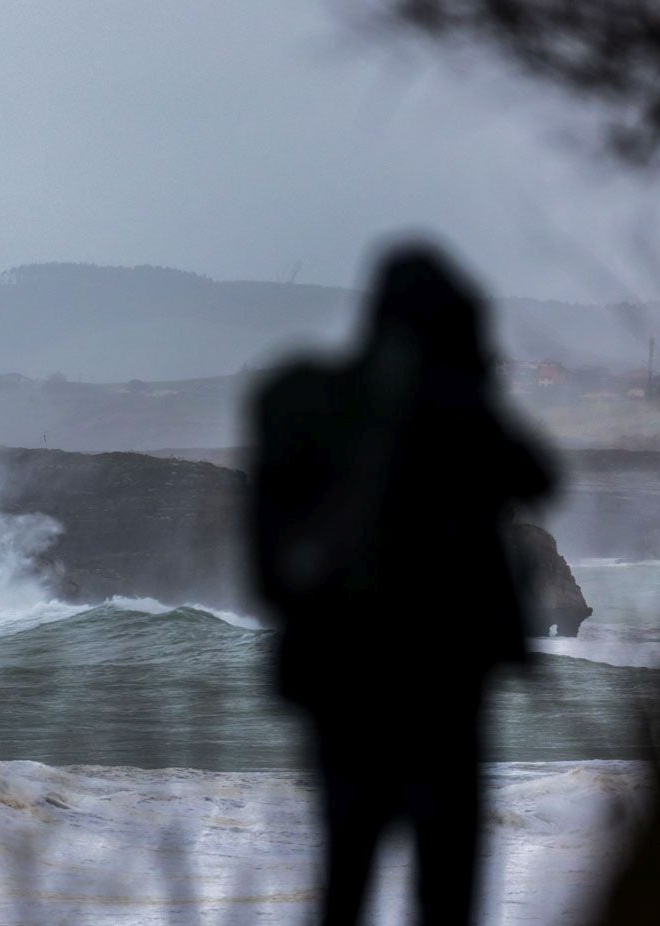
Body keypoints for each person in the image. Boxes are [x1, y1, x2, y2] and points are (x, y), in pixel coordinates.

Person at [247, 243, 555, 925]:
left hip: (341, 686)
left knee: (344, 880)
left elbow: (268, 566)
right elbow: (537, 475)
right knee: (444, 893)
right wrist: (467, 385)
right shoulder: (452, 412)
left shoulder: (302, 399)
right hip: (443, 692)